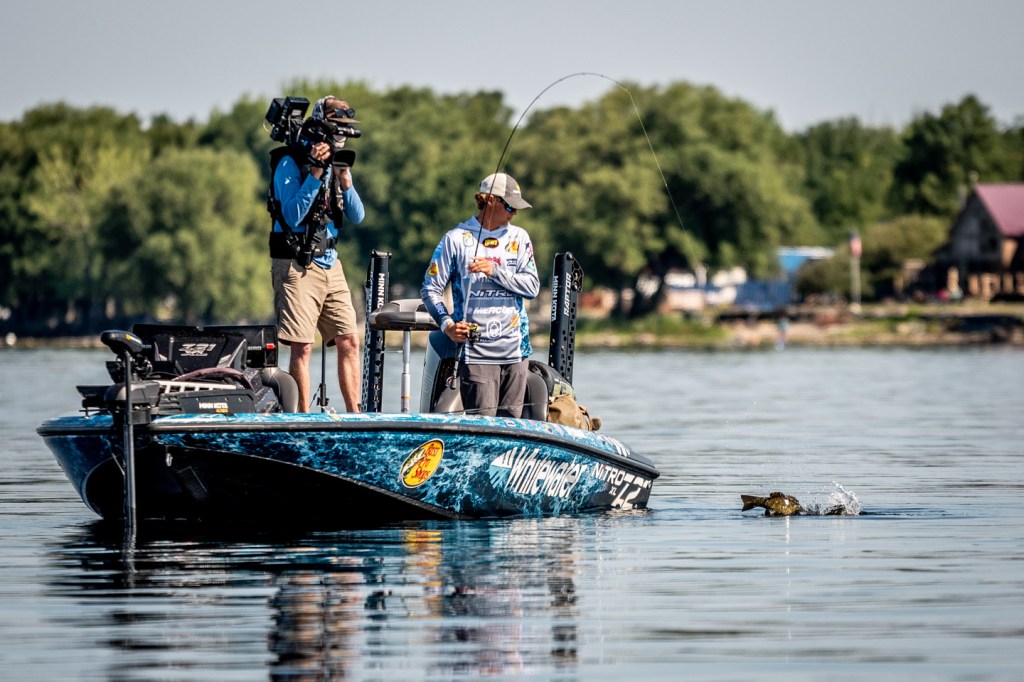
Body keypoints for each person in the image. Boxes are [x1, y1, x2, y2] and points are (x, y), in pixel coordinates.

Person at [269, 96, 366, 412]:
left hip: (331, 264)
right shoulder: (289, 162)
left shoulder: (337, 163)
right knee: (303, 346)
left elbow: (358, 216)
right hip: (297, 263)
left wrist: (345, 181)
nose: (342, 136)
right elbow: (292, 216)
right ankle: (302, 418)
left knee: (349, 340)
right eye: (338, 128)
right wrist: (314, 174)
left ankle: (355, 416)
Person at [421, 172, 540, 417]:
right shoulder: (455, 239)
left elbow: (532, 287)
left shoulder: (520, 237)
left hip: (516, 351)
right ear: (489, 200)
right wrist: (448, 325)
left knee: (513, 427)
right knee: (485, 425)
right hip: (476, 353)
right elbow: (430, 289)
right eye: (510, 206)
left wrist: (493, 270)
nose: (514, 213)